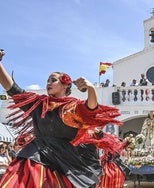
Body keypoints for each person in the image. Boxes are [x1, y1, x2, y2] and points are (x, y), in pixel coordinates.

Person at [0, 49, 122, 187]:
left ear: (65, 85)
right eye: (47, 80)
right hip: (36, 155)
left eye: (53, 80)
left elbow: (90, 109)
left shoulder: (71, 107)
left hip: (65, 161)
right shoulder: (38, 104)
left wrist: (91, 89)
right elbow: (13, 90)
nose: (48, 83)